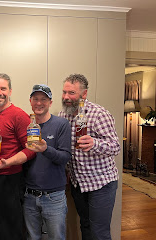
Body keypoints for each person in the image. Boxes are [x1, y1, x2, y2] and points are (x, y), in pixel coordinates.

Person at [58, 74, 120, 240]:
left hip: (101, 184)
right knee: (85, 226)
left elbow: (115, 147)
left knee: (99, 232)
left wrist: (95, 143)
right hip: (78, 183)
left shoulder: (99, 114)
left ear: (84, 94)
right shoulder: (63, 116)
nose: (66, 97)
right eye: (64, 92)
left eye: (71, 93)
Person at [0, 73, 36, 240]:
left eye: (3, 88)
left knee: (9, 231)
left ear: (10, 91)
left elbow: (32, 149)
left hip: (10, 180)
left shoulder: (19, 115)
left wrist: (7, 163)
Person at [23, 84, 71, 240]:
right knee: (32, 237)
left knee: (56, 237)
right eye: (35, 99)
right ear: (30, 101)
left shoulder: (61, 125)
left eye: (43, 99)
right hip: (29, 195)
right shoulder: (26, 125)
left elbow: (65, 157)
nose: (39, 103)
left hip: (54, 196)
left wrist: (46, 149)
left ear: (50, 102)